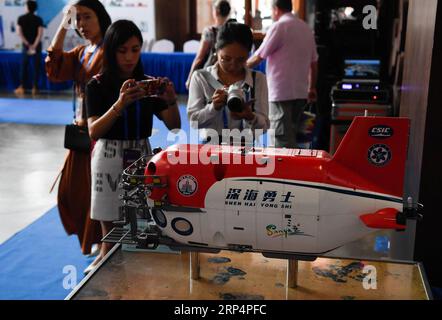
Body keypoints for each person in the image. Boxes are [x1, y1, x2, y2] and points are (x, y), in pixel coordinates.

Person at [85, 20, 181, 269]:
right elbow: (94, 130)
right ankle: (104, 264)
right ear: (110, 50)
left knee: (140, 222)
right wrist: (120, 104)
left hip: (141, 153)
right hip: (108, 154)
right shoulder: (96, 85)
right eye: (122, 50)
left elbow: (174, 126)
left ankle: (131, 276)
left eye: (135, 49)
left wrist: (171, 100)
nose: (129, 57)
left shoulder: (148, 84)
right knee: (109, 230)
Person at [45, 0, 111, 257]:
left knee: (97, 193)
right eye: (77, 19)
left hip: (103, 132)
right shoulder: (83, 52)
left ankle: (103, 245)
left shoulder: (111, 50)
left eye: (87, 17)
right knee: (71, 192)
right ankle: (94, 242)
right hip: (80, 134)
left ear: (100, 18)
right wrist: (64, 23)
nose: (81, 24)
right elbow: (54, 65)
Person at [247, 0, 318, 148]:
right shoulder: (306, 28)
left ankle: (287, 171)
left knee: (281, 140)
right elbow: (314, 62)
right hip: (301, 92)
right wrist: (312, 88)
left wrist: (237, 68)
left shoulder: (279, 27)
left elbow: (259, 56)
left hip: (280, 93)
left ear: (276, 9)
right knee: (297, 138)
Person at [187, 22, 269, 145]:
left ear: (249, 54)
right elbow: (194, 122)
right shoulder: (201, 77)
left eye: (241, 60)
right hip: (211, 149)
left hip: (244, 149)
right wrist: (213, 108)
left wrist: (250, 116)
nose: (233, 65)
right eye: (226, 59)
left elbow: (265, 126)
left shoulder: (258, 79)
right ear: (216, 50)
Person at [185, 0, 231, 89]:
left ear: (216, 11)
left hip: (211, 72)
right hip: (228, 71)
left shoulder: (209, 31)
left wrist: (190, 77)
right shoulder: (232, 29)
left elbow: (200, 58)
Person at [14, 0, 44, 96]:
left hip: (26, 46)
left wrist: (27, 44)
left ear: (27, 7)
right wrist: (34, 45)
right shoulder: (38, 19)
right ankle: (35, 88)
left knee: (24, 66)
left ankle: (22, 87)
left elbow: (19, 32)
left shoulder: (21, 18)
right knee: (36, 66)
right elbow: (40, 34)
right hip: (37, 46)